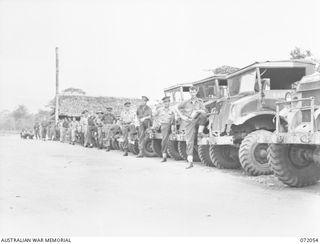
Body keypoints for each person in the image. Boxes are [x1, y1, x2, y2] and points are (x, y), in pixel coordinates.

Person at [177, 86, 207, 169]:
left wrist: (199, 110)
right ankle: (190, 162)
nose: (192, 93)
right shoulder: (186, 102)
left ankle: (200, 132)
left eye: (194, 92)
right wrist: (182, 116)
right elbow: (177, 108)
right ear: (189, 93)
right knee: (189, 141)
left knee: (203, 115)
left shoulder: (200, 101)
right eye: (191, 92)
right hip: (189, 121)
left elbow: (205, 111)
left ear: (196, 92)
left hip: (197, 119)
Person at [153, 96, 175, 162]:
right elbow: (154, 116)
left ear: (169, 103)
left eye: (167, 102)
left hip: (171, 125)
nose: (166, 103)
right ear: (163, 103)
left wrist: (173, 127)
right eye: (165, 102)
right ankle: (164, 156)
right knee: (164, 140)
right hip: (164, 125)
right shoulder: (160, 110)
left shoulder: (172, 110)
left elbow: (173, 119)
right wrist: (158, 123)